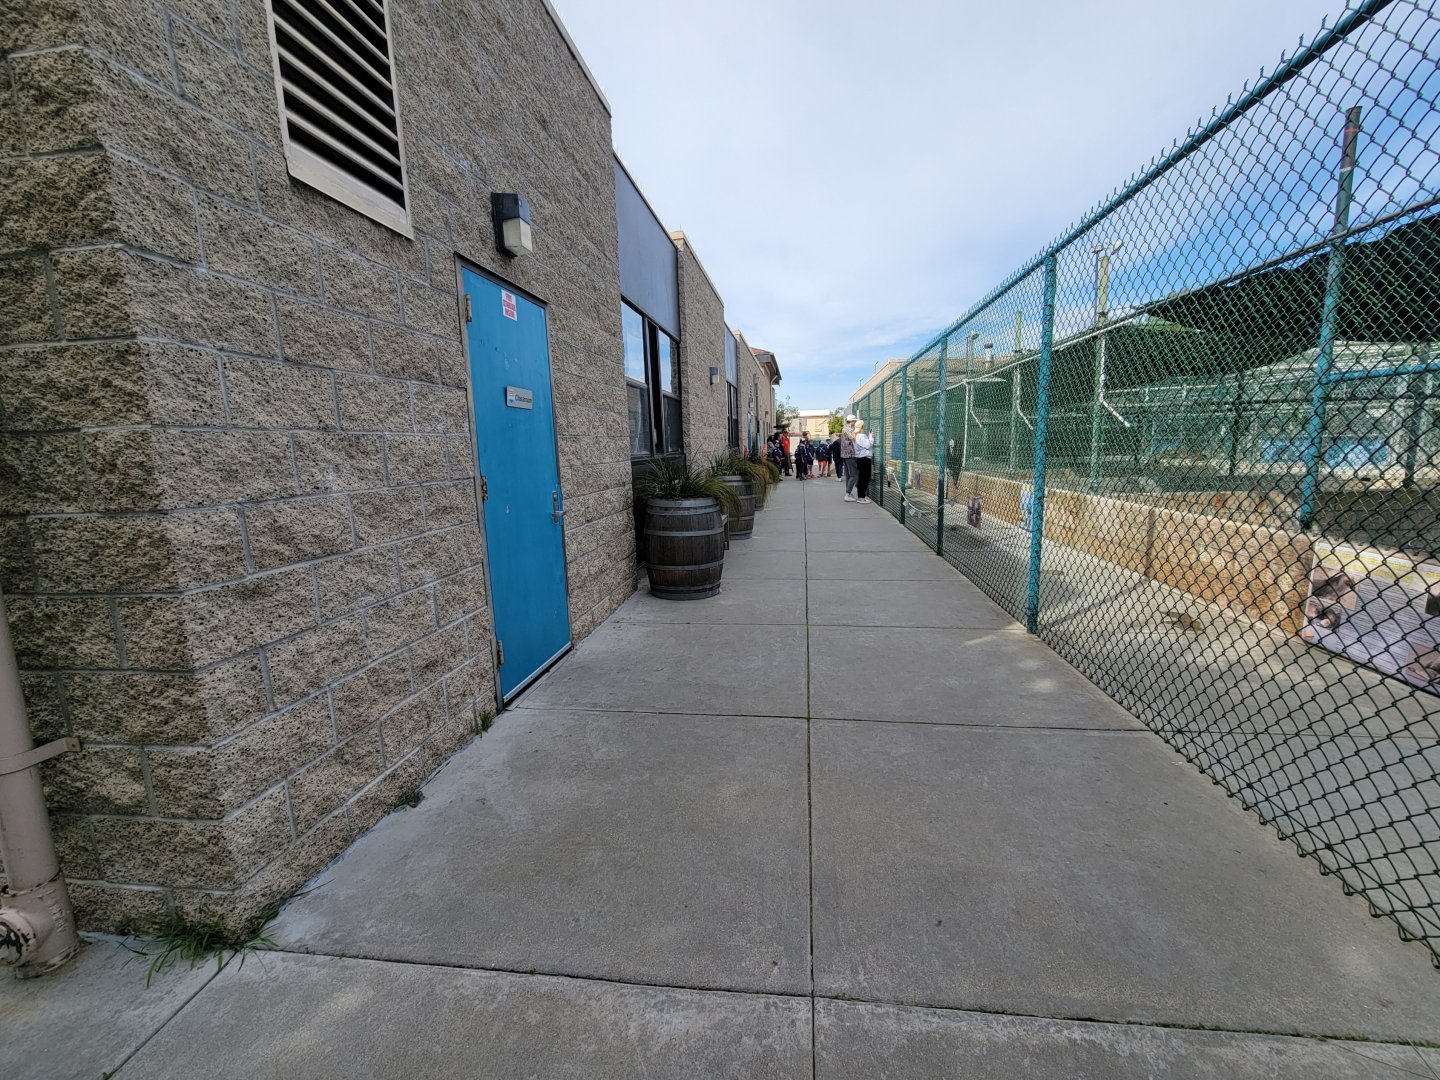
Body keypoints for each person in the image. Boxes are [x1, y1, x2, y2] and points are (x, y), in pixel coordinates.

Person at [853, 420, 874, 503]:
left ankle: (861, 496)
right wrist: (871, 437)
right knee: (865, 478)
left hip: (860, 458)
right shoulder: (861, 436)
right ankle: (861, 497)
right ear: (862, 427)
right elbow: (868, 445)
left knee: (862, 477)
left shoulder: (856, 435)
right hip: (864, 458)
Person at [840, 415, 858, 500]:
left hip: (846, 455)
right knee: (853, 475)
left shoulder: (845, 429)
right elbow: (853, 437)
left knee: (848, 475)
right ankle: (848, 494)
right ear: (850, 421)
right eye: (854, 421)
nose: (855, 423)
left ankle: (848, 493)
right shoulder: (848, 429)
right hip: (850, 454)